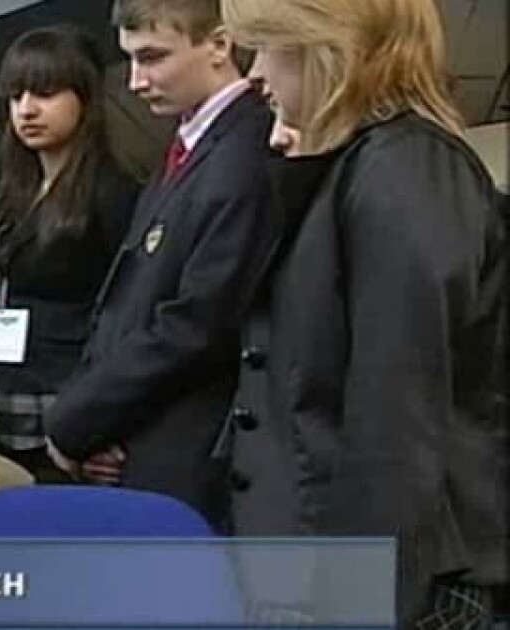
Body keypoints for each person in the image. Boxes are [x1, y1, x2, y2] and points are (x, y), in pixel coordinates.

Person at [222, 0, 508, 625]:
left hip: (388, 585)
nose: (253, 73)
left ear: (328, 43)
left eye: (266, 45)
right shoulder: (363, 167)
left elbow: (396, 415)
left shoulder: (406, 167)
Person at [42, 0, 278, 527]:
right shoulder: (192, 147)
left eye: (152, 57)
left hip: (185, 460)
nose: (136, 81)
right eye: (130, 59)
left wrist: (78, 419)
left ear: (219, 44)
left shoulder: (246, 152)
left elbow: (197, 322)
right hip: (135, 446)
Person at [0, 24, 140, 482]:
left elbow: (128, 313)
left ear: (83, 98)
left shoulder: (114, 192)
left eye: (45, 93)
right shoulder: (4, 187)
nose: (26, 109)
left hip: (73, 400)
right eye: (16, 95)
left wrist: (102, 418)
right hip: (2, 391)